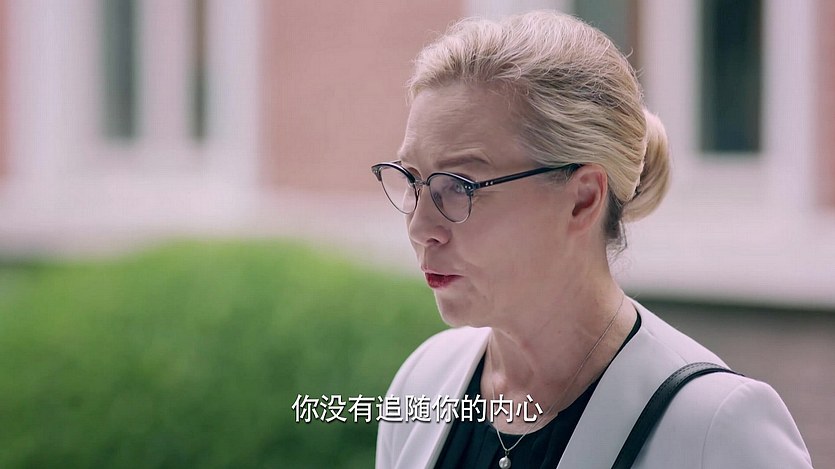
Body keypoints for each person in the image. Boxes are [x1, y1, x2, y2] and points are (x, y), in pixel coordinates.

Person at [371, 10, 812, 469]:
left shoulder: (717, 430)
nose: (420, 227)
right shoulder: (423, 383)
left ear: (583, 199)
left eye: (460, 185)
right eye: (412, 178)